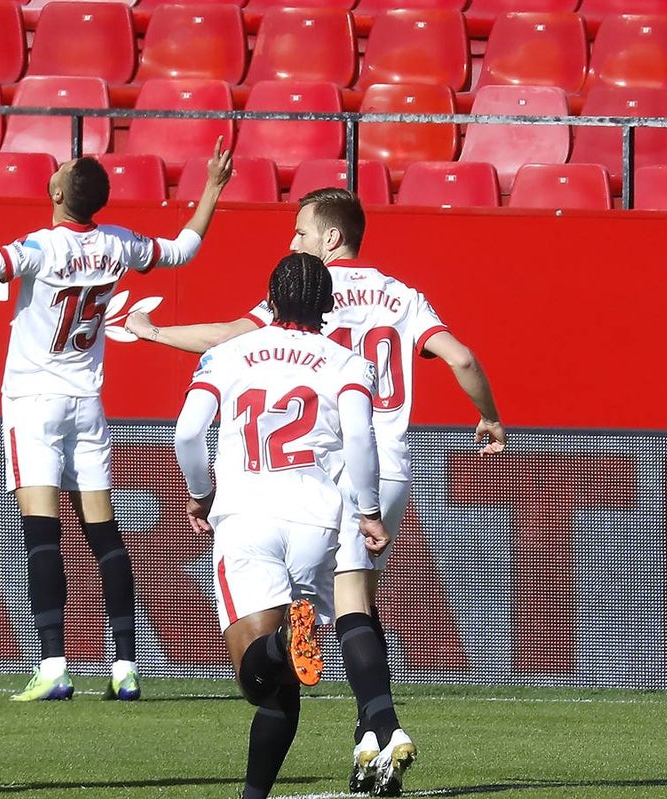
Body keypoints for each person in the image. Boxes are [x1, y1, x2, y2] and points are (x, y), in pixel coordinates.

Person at [129, 187, 506, 796]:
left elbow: (225, 343)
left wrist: (152, 332)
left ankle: (380, 730)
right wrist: (488, 416)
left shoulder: (296, 295)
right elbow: (459, 357)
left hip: (311, 469)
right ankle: (372, 737)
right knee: (356, 604)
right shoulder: (398, 294)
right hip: (379, 465)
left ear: (329, 239)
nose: (293, 241)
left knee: (323, 623)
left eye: (301, 230)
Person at [0, 140, 233, 701]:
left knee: (41, 534)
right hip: (88, 402)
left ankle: (53, 665)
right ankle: (124, 665)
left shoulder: (43, 247)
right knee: (104, 536)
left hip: (33, 400)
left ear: (55, 194)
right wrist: (213, 187)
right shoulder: (119, 243)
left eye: (61, 171)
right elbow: (183, 250)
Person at [174, 252, 390, 799]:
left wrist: (201, 495)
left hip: (247, 515)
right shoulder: (346, 362)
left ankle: (279, 647)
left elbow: (187, 432)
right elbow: (362, 440)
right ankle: (254, 794)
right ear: (329, 306)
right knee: (288, 673)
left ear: (269, 301)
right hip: (317, 522)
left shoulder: (228, 353)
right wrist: (367, 510)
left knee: (257, 675)